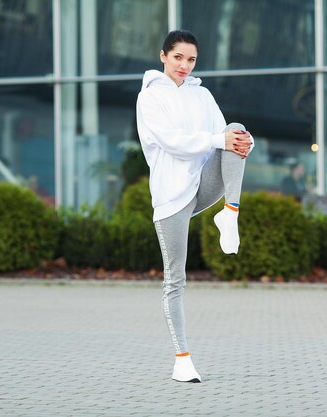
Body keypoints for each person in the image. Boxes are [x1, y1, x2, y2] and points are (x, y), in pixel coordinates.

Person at [136, 30, 254, 383]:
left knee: (237, 128)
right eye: (178, 58)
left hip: (203, 185)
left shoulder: (202, 94)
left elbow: (223, 136)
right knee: (176, 279)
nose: (185, 66)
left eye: (191, 60)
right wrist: (221, 140)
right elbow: (172, 142)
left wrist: (244, 143)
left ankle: (229, 213)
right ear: (163, 56)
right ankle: (182, 359)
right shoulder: (149, 99)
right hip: (171, 197)